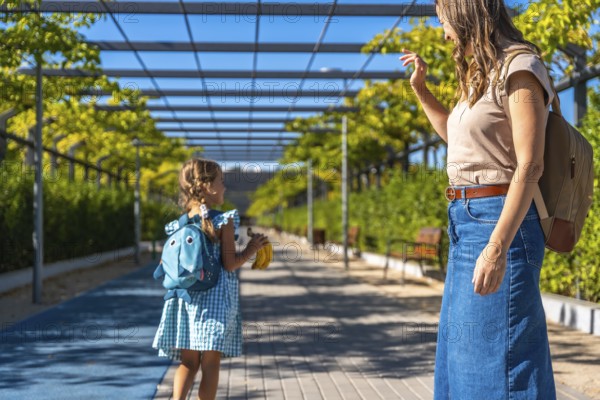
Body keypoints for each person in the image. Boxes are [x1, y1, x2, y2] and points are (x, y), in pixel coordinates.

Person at [400, 0, 556, 398]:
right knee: (460, 362)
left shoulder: (520, 68)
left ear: (467, 14)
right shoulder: (480, 74)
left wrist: (496, 247)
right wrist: (421, 91)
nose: (444, 32)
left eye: (444, 22)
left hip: (498, 221)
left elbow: (530, 165)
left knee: (496, 364)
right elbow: (461, 142)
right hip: (465, 221)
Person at [152, 158, 269, 400]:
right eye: (222, 182)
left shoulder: (179, 223)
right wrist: (252, 249)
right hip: (214, 302)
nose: (225, 187)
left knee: (188, 361)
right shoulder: (223, 220)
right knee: (211, 363)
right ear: (206, 186)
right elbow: (230, 264)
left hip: (184, 301)